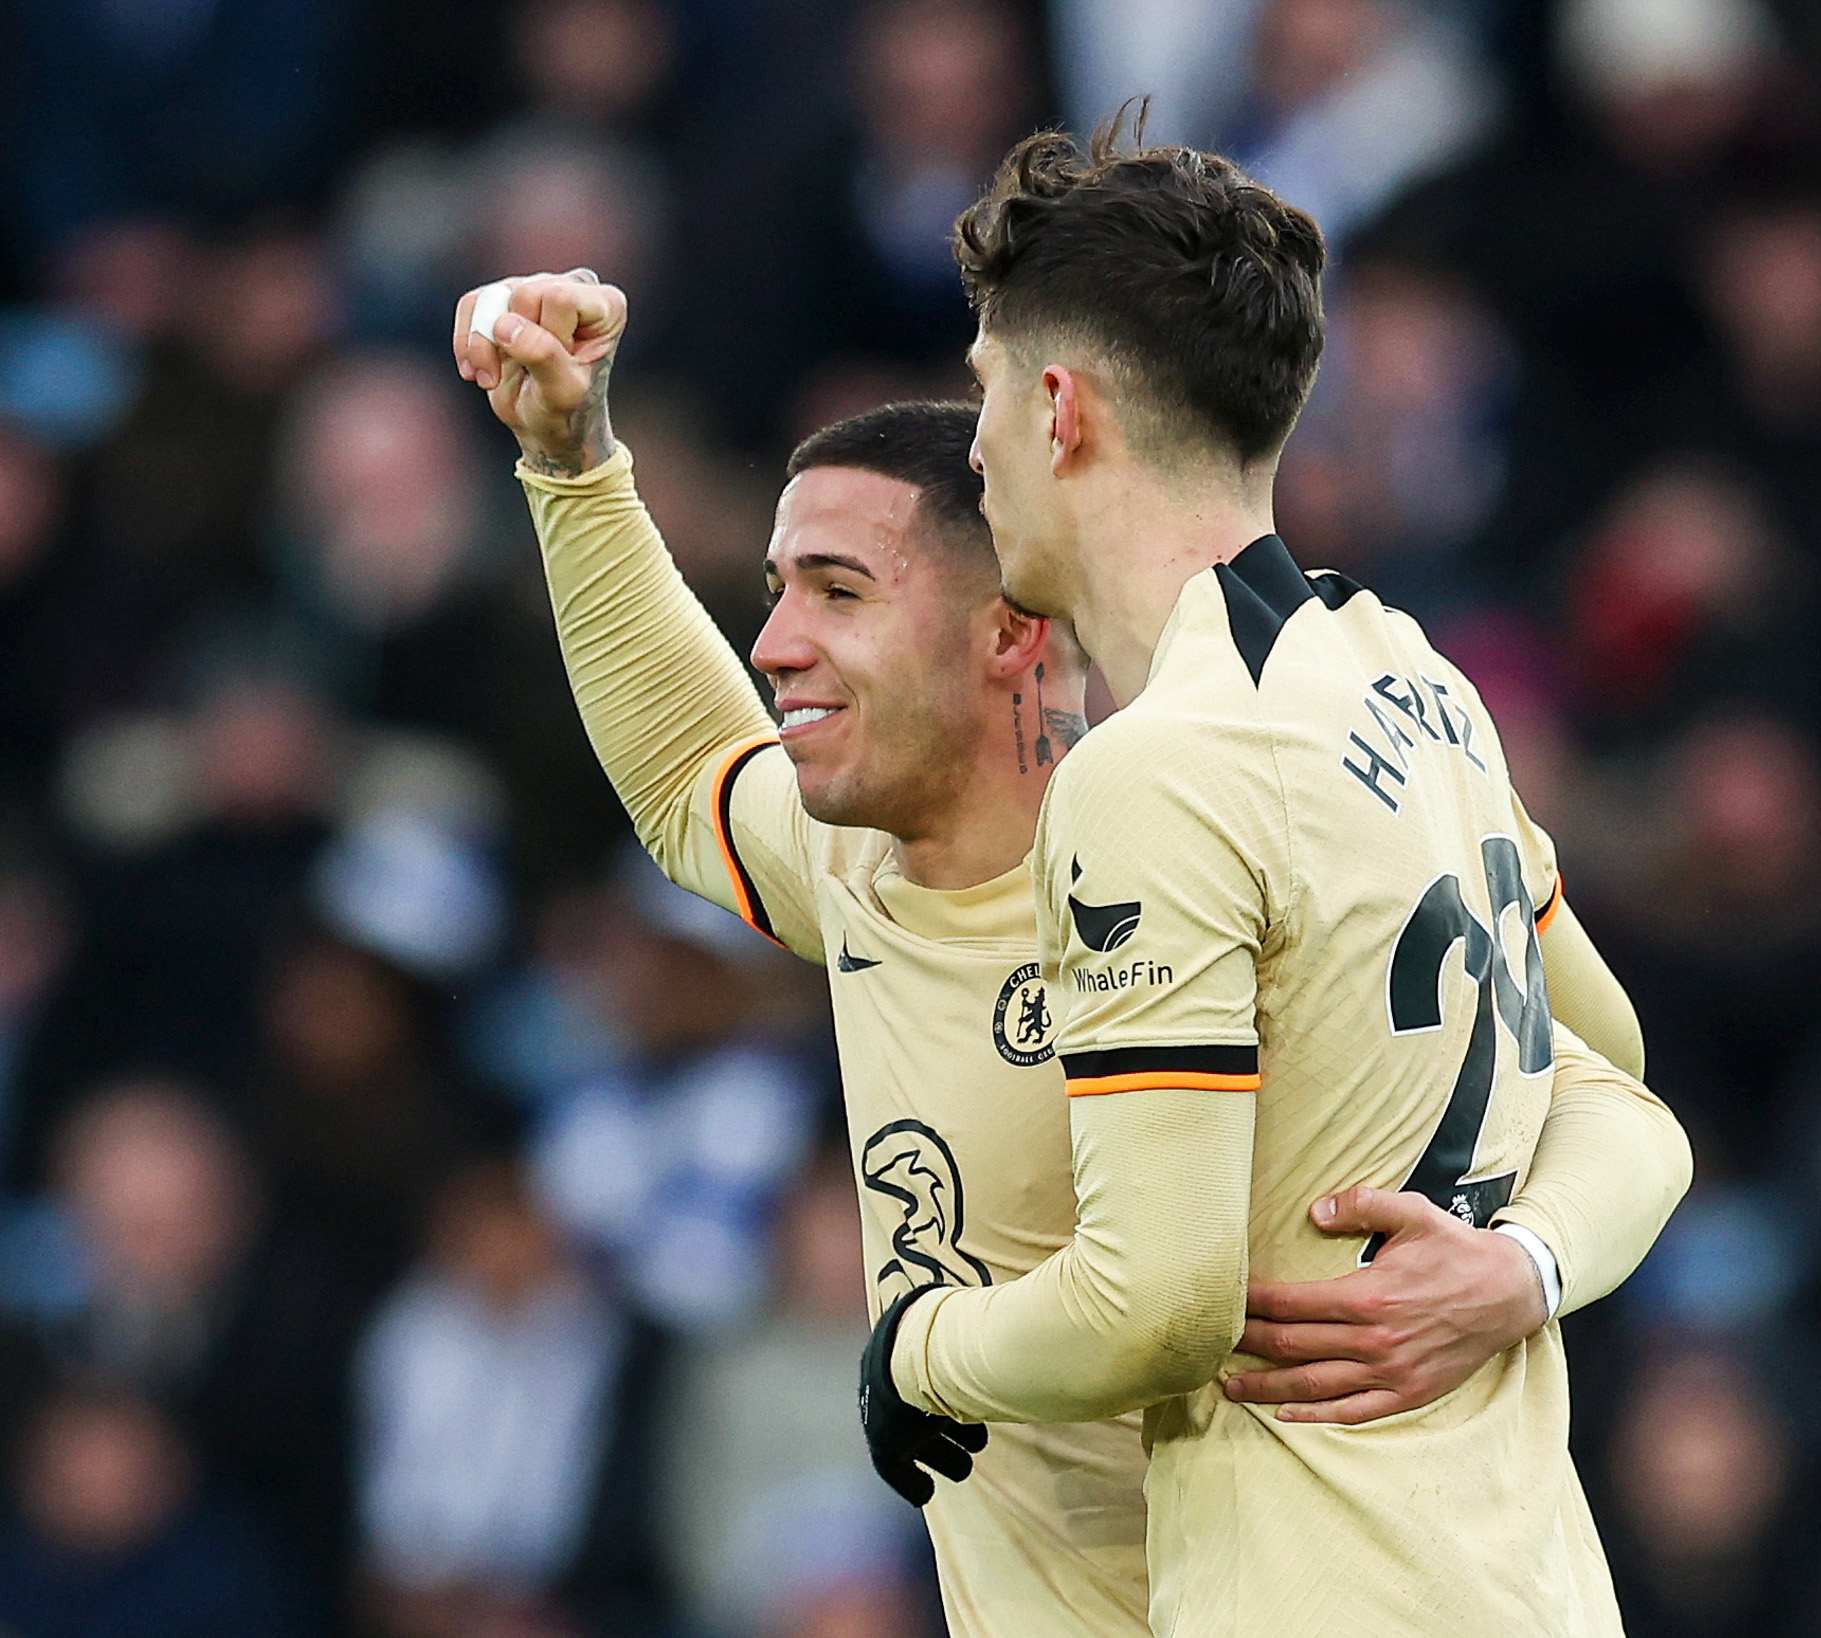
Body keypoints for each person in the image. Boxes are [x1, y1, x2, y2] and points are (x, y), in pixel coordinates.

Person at [452, 269, 1687, 1635]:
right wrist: (573, 464)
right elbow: (690, 768)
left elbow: (1596, 1080)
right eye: (777, 591)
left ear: (1008, 632)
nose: (776, 644)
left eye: (840, 592)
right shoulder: (864, 866)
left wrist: (1524, 1263)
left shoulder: (1198, 854)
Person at [872, 128, 1688, 1633]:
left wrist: (914, 1352)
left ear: (1058, 409)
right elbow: (1619, 1079)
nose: (969, 447)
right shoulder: (1414, 681)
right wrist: (1524, 1263)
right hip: (1529, 1588)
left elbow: (1157, 1305)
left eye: (984, 388)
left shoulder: (1159, 770)